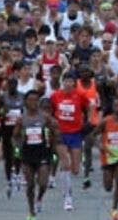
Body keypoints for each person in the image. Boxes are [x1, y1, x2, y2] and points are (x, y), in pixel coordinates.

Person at [14, 89, 57, 220]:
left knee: (43, 183)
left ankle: (39, 198)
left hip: (43, 152)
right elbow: (15, 136)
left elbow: (55, 130)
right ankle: (31, 211)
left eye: (35, 100)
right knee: (30, 184)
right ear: (25, 102)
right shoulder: (21, 119)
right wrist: (17, 146)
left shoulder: (45, 117)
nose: (33, 102)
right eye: (30, 100)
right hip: (27, 153)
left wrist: (54, 146)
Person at [50, 70, 90, 211]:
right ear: (63, 82)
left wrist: (88, 122)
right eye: (66, 81)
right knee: (65, 164)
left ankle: (67, 176)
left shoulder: (80, 95)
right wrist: (52, 125)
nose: (68, 84)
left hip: (76, 134)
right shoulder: (55, 95)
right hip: (61, 134)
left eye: (70, 82)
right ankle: (67, 197)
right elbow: (49, 109)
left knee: (75, 170)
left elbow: (89, 107)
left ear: (74, 83)